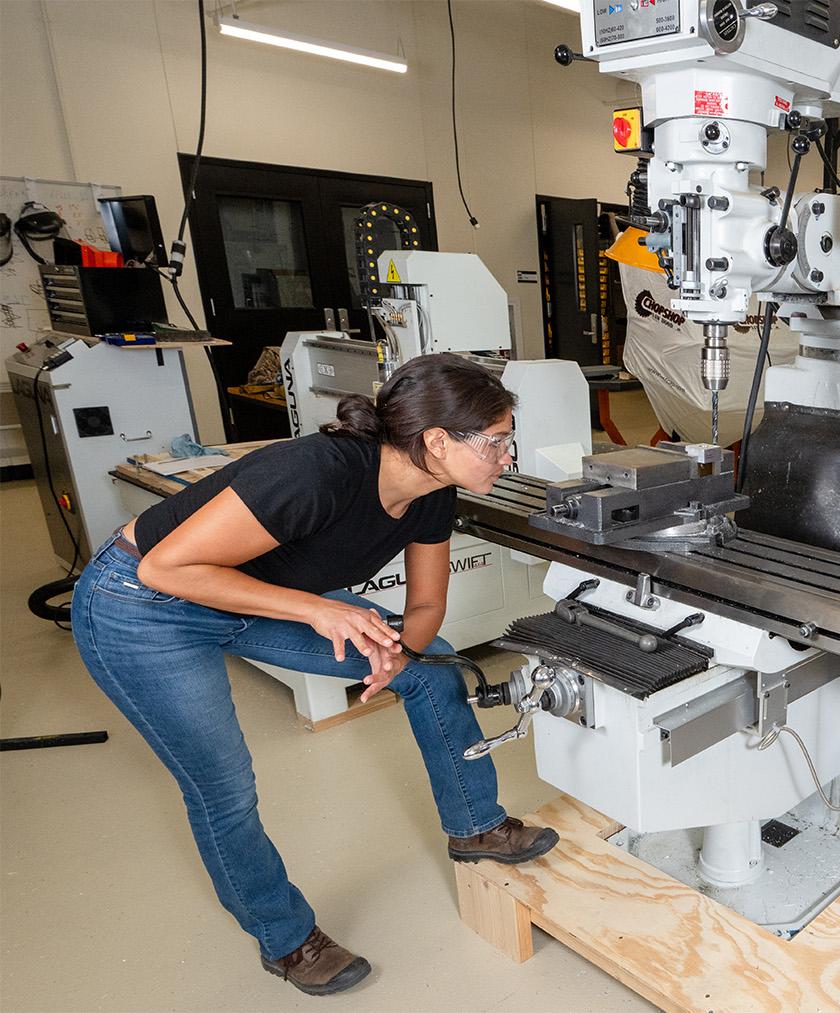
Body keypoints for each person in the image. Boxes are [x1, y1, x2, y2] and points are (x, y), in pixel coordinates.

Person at [70, 353, 559, 997]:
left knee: (433, 669)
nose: (507, 457)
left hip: (244, 594)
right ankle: (286, 940)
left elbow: (425, 607)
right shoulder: (315, 472)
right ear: (436, 441)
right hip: (143, 606)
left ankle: (476, 826)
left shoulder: (432, 491)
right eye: (496, 443)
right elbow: (164, 570)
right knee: (225, 788)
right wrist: (316, 608)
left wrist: (397, 659)